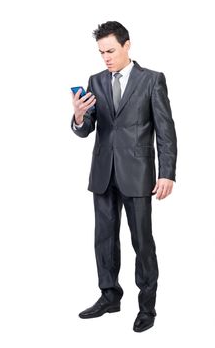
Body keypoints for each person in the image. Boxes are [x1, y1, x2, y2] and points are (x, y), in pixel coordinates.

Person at [70, 21, 177, 333]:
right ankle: (109, 296)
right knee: (103, 239)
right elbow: (86, 127)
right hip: (103, 173)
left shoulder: (152, 80)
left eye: (111, 50)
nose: (106, 57)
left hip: (139, 174)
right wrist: (78, 117)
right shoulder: (96, 81)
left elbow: (166, 131)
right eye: (101, 52)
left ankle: (147, 307)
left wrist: (167, 172)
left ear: (127, 45)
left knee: (142, 242)